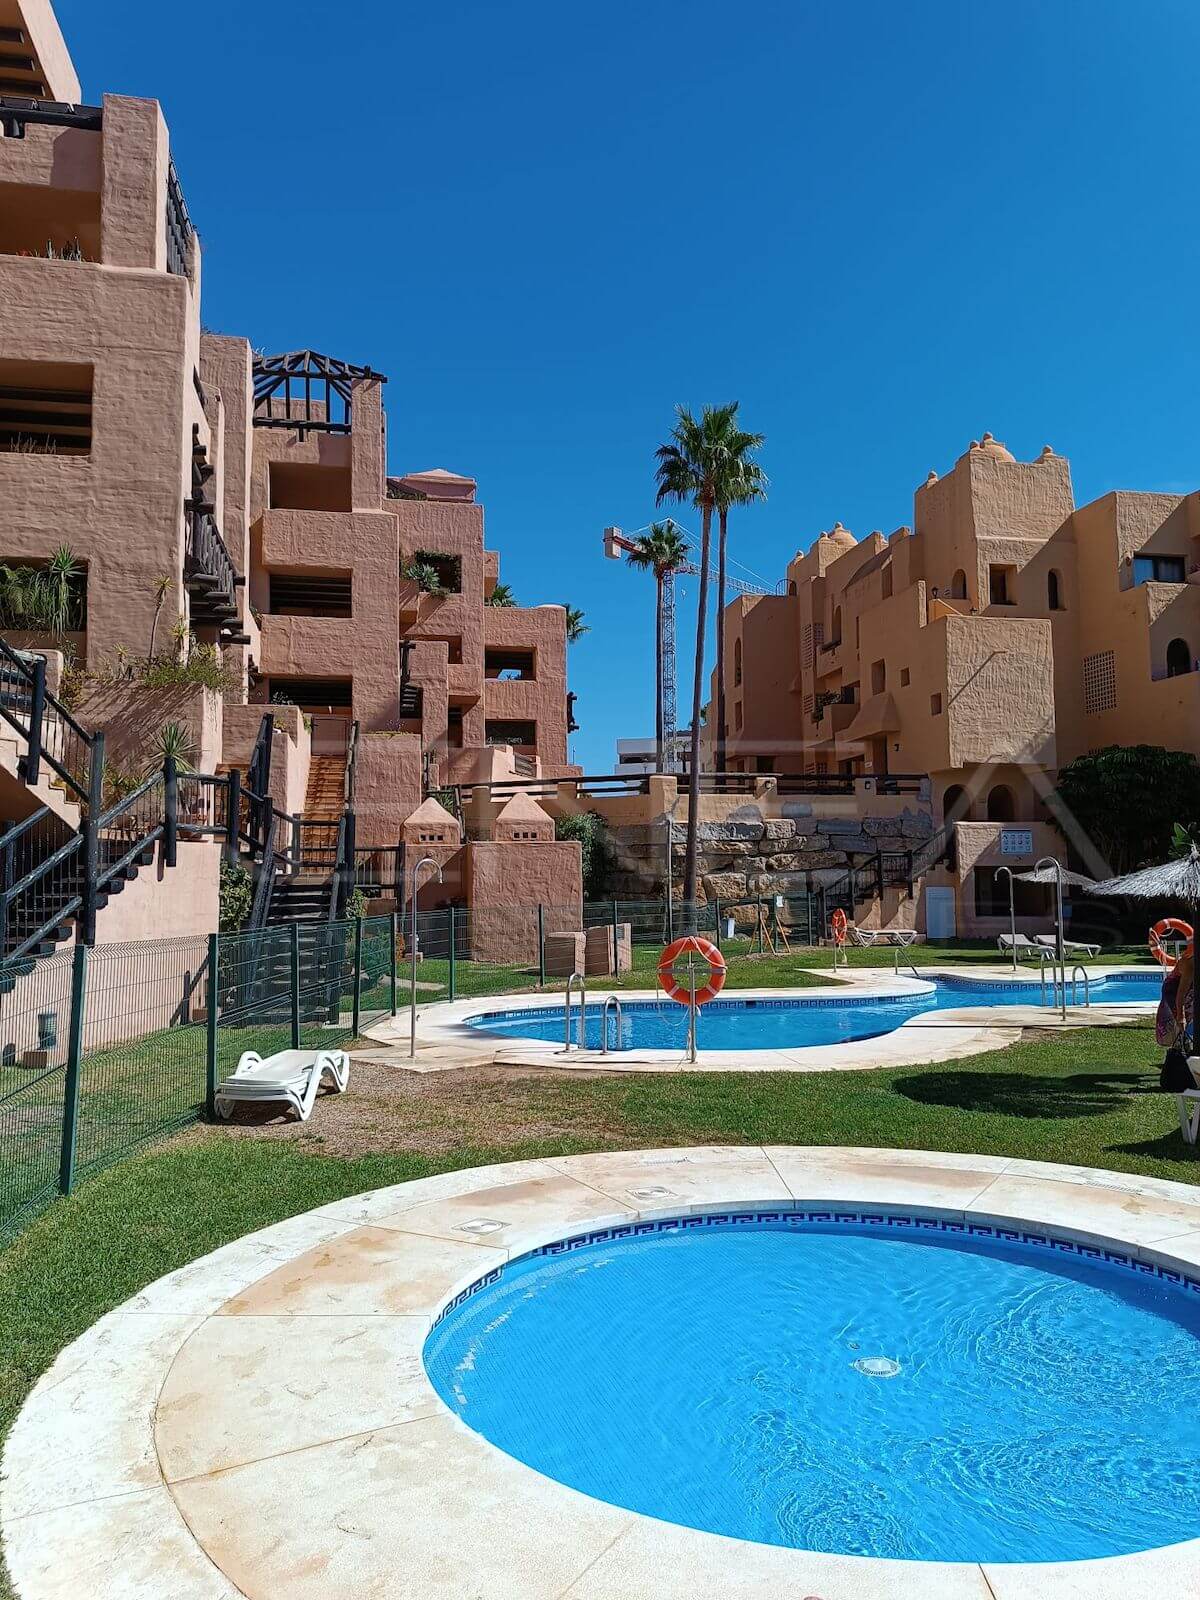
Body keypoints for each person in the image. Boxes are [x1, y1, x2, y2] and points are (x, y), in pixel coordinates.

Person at [1157, 945, 1195, 1090]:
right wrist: (1180, 1016)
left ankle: (1188, 1062)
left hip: (1190, 990)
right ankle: (1177, 1067)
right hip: (1174, 990)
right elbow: (1180, 994)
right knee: (1179, 1027)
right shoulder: (1191, 964)